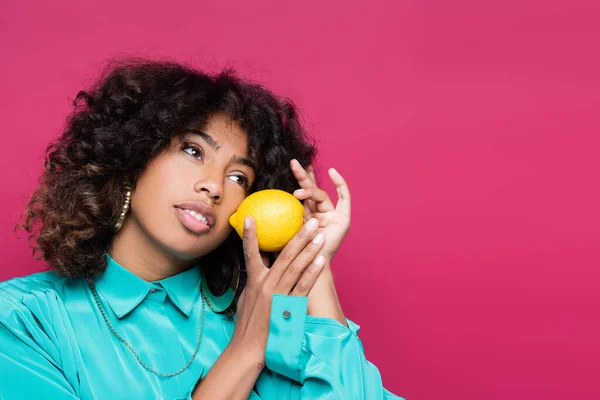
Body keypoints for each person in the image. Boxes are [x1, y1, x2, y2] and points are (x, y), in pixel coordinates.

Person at [0, 59, 404, 399]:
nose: (213, 185)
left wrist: (314, 266)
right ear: (132, 156)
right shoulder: (22, 319)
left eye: (239, 178)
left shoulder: (273, 320)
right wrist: (245, 351)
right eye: (194, 151)